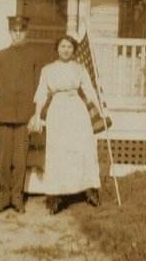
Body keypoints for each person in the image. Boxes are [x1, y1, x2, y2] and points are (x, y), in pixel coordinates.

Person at [32, 35, 101, 215]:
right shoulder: (48, 70)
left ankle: (90, 189)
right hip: (58, 110)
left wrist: (100, 109)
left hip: (77, 110)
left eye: (69, 47)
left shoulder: (80, 68)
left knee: (82, 148)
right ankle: (56, 196)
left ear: (74, 49)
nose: (66, 50)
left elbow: (89, 90)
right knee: (58, 151)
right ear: (57, 48)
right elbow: (41, 93)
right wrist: (37, 115)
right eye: (63, 46)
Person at [0, 16, 42, 214]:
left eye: (21, 30)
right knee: (4, 159)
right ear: (10, 32)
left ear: (26, 32)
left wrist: (35, 115)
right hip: (3, 115)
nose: (18, 33)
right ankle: (3, 197)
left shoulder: (33, 56)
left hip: (24, 117)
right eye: (14, 30)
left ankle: (17, 197)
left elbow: (39, 88)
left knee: (20, 159)